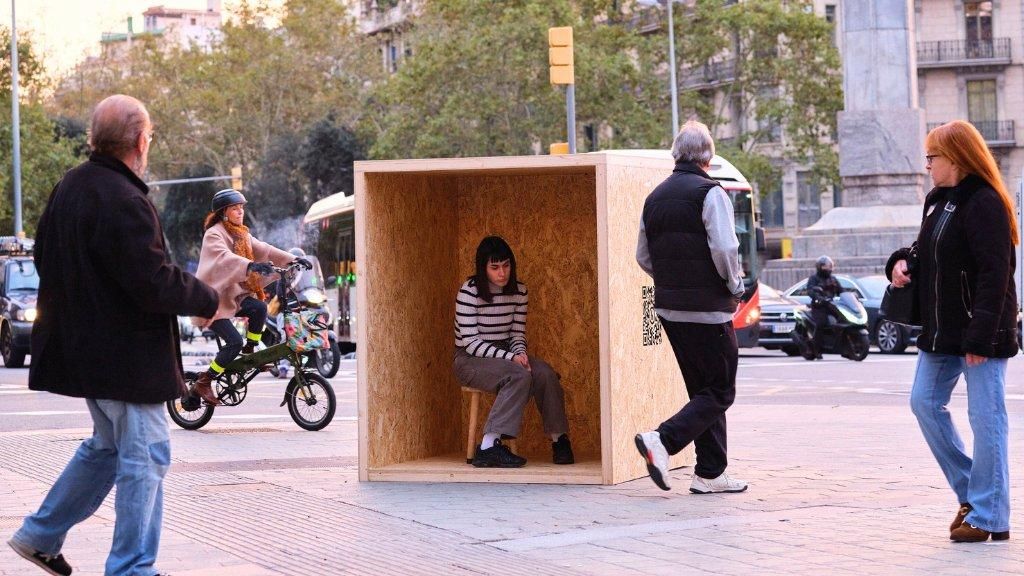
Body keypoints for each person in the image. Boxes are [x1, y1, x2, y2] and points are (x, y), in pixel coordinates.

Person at [7, 95, 219, 576]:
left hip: (89, 357)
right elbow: (153, 280)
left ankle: (40, 535)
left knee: (107, 448)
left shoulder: (71, 186)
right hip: (127, 362)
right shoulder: (124, 198)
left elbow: (45, 258)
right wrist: (210, 299)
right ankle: (131, 569)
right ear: (142, 140)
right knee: (145, 457)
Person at [888, 120, 1019, 543]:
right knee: (924, 403)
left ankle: (991, 517)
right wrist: (902, 262)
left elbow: (995, 273)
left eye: (932, 157)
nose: (927, 165)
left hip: (980, 333)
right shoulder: (937, 200)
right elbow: (927, 251)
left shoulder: (985, 203)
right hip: (940, 332)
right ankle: (973, 494)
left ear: (956, 159)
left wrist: (980, 337)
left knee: (987, 419)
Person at [633, 120, 748, 494]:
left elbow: (643, 257)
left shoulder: (654, 198)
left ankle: (710, 473)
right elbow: (726, 249)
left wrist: (673, 281)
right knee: (720, 391)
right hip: (709, 309)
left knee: (703, 390)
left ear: (676, 153)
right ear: (708, 156)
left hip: (670, 310)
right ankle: (662, 441)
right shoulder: (709, 193)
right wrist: (734, 285)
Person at [453, 236, 574, 468]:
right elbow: (470, 342)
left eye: (506, 266)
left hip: (506, 353)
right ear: (483, 268)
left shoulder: (519, 291)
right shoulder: (468, 292)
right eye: (495, 267)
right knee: (518, 375)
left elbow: (517, 333)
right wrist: (512, 359)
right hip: (470, 358)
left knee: (545, 373)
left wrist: (520, 354)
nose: (502, 273)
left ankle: (560, 441)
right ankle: (488, 446)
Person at [191, 189, 311, 404]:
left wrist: (294, 260)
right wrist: (250, 265)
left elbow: (264, 249)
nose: (240, 212)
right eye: (235, 209)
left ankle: (250, 350)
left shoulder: (242, 233)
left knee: (260, 308)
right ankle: (204, 381)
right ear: (223, 212)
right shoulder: (214, 234)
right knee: (233, 342)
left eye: (242, 208)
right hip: (212, 303)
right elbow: (224, 259)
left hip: (232, 298)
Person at [806, 255, 842, 359]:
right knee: (821, 323)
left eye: (830, 266)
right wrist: (818, 296)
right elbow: (810, 290)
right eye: (825, 266)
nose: (828, 268)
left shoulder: (833, 279)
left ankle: (842, 344)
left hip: (831, 305)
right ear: (819, 267)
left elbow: (841, 290)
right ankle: (816, 348)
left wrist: (851, 295)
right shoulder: (814, 278)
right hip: (819, 306)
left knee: (843, 319)